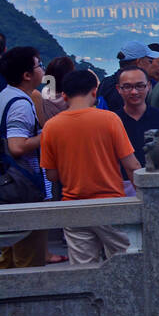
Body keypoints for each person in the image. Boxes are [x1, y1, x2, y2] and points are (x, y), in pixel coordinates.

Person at [39, 69, 141, 265]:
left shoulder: (51, 126)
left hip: (73, 206)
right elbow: (131, 165)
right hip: (111, 203)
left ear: (64, 95)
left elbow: (51, 175)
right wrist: (142, 198)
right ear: (94, 92)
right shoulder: (109, 119)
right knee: (127, 264)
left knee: (83, 271)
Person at [0, 47, 47, 268]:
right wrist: (49, 133)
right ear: (27, 75)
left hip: (8, 186)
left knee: (8, 256)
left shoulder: (5, 95)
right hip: (22, 187)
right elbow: (17, 146)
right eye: (38, 64)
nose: (42, 68)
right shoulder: (20, 104)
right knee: (29, 257)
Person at [113, 67, 159, 177]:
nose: (134, 92)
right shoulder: (113, 121)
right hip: (122, 185)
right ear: (118, 89)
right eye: (127, 87)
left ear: (149, 86)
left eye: (140, 86)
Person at [97, 42, 156, 113]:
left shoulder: (106, 83)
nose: (151, 65)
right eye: (150, 61)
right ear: (139, 62)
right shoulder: (138, 90)